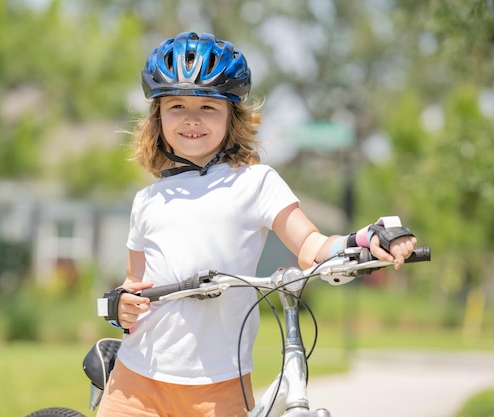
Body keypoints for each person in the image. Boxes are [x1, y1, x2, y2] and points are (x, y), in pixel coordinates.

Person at [96, 31, 417, 417]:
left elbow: (311, 246)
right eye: (177, 106)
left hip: (220, 386)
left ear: (233, 116)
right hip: (138, 380)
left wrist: (365, 238)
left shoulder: (255, 181)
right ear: (158, 117)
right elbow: (134, 285)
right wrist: (123, 305)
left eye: (208, 107)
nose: (191, 119)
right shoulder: (147, 200)